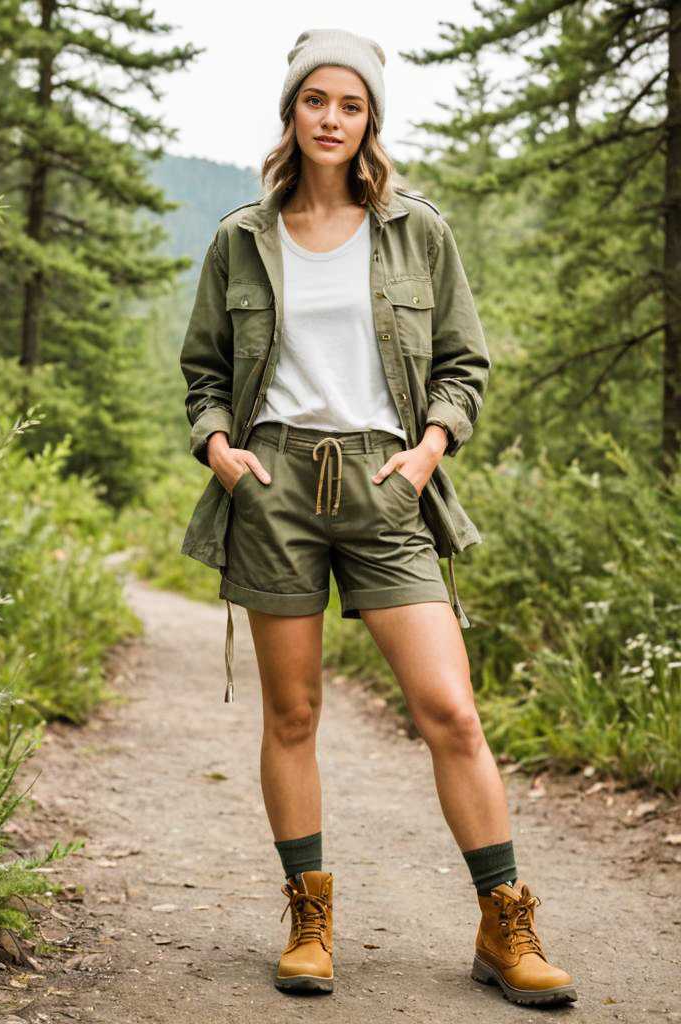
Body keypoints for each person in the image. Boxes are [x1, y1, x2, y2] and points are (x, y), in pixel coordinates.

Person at [179, 27, 576, 1008]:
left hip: (387, 480)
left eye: (350, 105)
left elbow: (463, 363)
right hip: (272, 483)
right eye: (316, 100)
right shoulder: (241, 237)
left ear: (370, 121)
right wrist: (221, 449)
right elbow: (202, 373)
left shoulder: (416, 231)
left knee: (450, 708)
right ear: (292, 110)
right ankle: (309, 917)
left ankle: (504, 922)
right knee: (295, 712)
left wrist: (430, 448)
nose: (331, 118)